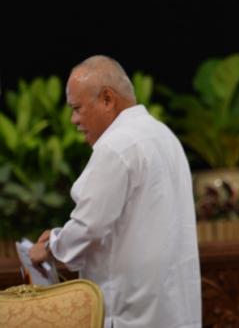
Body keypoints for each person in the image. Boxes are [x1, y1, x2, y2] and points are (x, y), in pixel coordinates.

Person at [29, 55, 202, 328]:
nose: (74, 119)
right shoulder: (164, 136)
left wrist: (51, 247)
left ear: (107, 99)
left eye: (77, 108)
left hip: (131, 314)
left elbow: (90, 226)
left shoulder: (117, 145)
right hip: (173, 312)